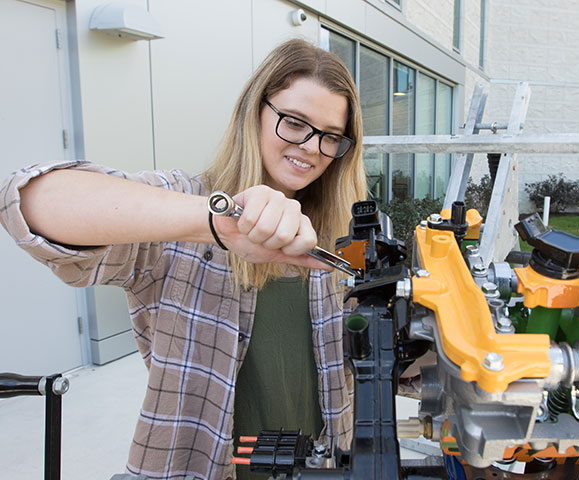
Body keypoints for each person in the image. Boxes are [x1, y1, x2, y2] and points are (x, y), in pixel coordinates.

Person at [0, 38, 366, 480]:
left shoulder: (340, 238)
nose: (311, 147)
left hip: (326, 467)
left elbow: (364, 352)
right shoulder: (185, 206)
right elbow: (30, 201)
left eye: (331, 137)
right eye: (294, 123)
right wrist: (216, 223)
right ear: (255, 111)